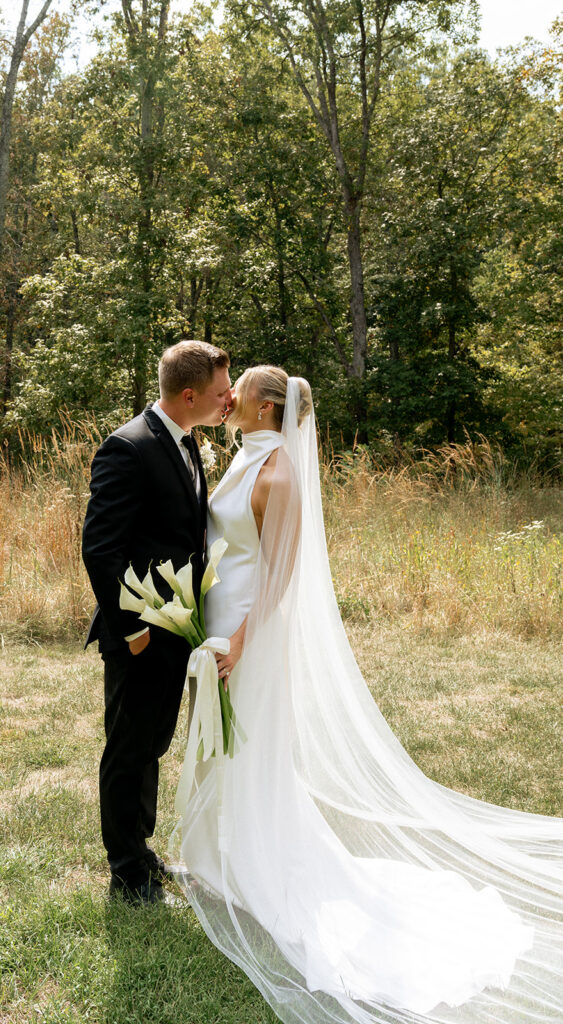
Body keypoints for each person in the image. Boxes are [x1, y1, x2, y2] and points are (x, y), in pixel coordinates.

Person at [171, 366, 563, 1023]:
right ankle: (216, 854)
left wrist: (239, 639)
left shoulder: (279, 476)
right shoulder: (243, 459)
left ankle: (258, 863)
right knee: (218, 737)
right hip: (218, 615)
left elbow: (280, 577)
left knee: (251, 744)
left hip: (250, 631)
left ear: (268, 409)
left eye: (239, 391)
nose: (227, 397)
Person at [82, 340, 232, 905]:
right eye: (221, 394)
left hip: (177, 628)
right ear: (189, 395)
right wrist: (133, 629)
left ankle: (142, 853)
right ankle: (127, 872)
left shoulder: (186, 441)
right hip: (140, 632)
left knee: (153, 743)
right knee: (129, 749)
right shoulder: (129, 447)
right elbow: (101, 550)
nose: (228, 400)